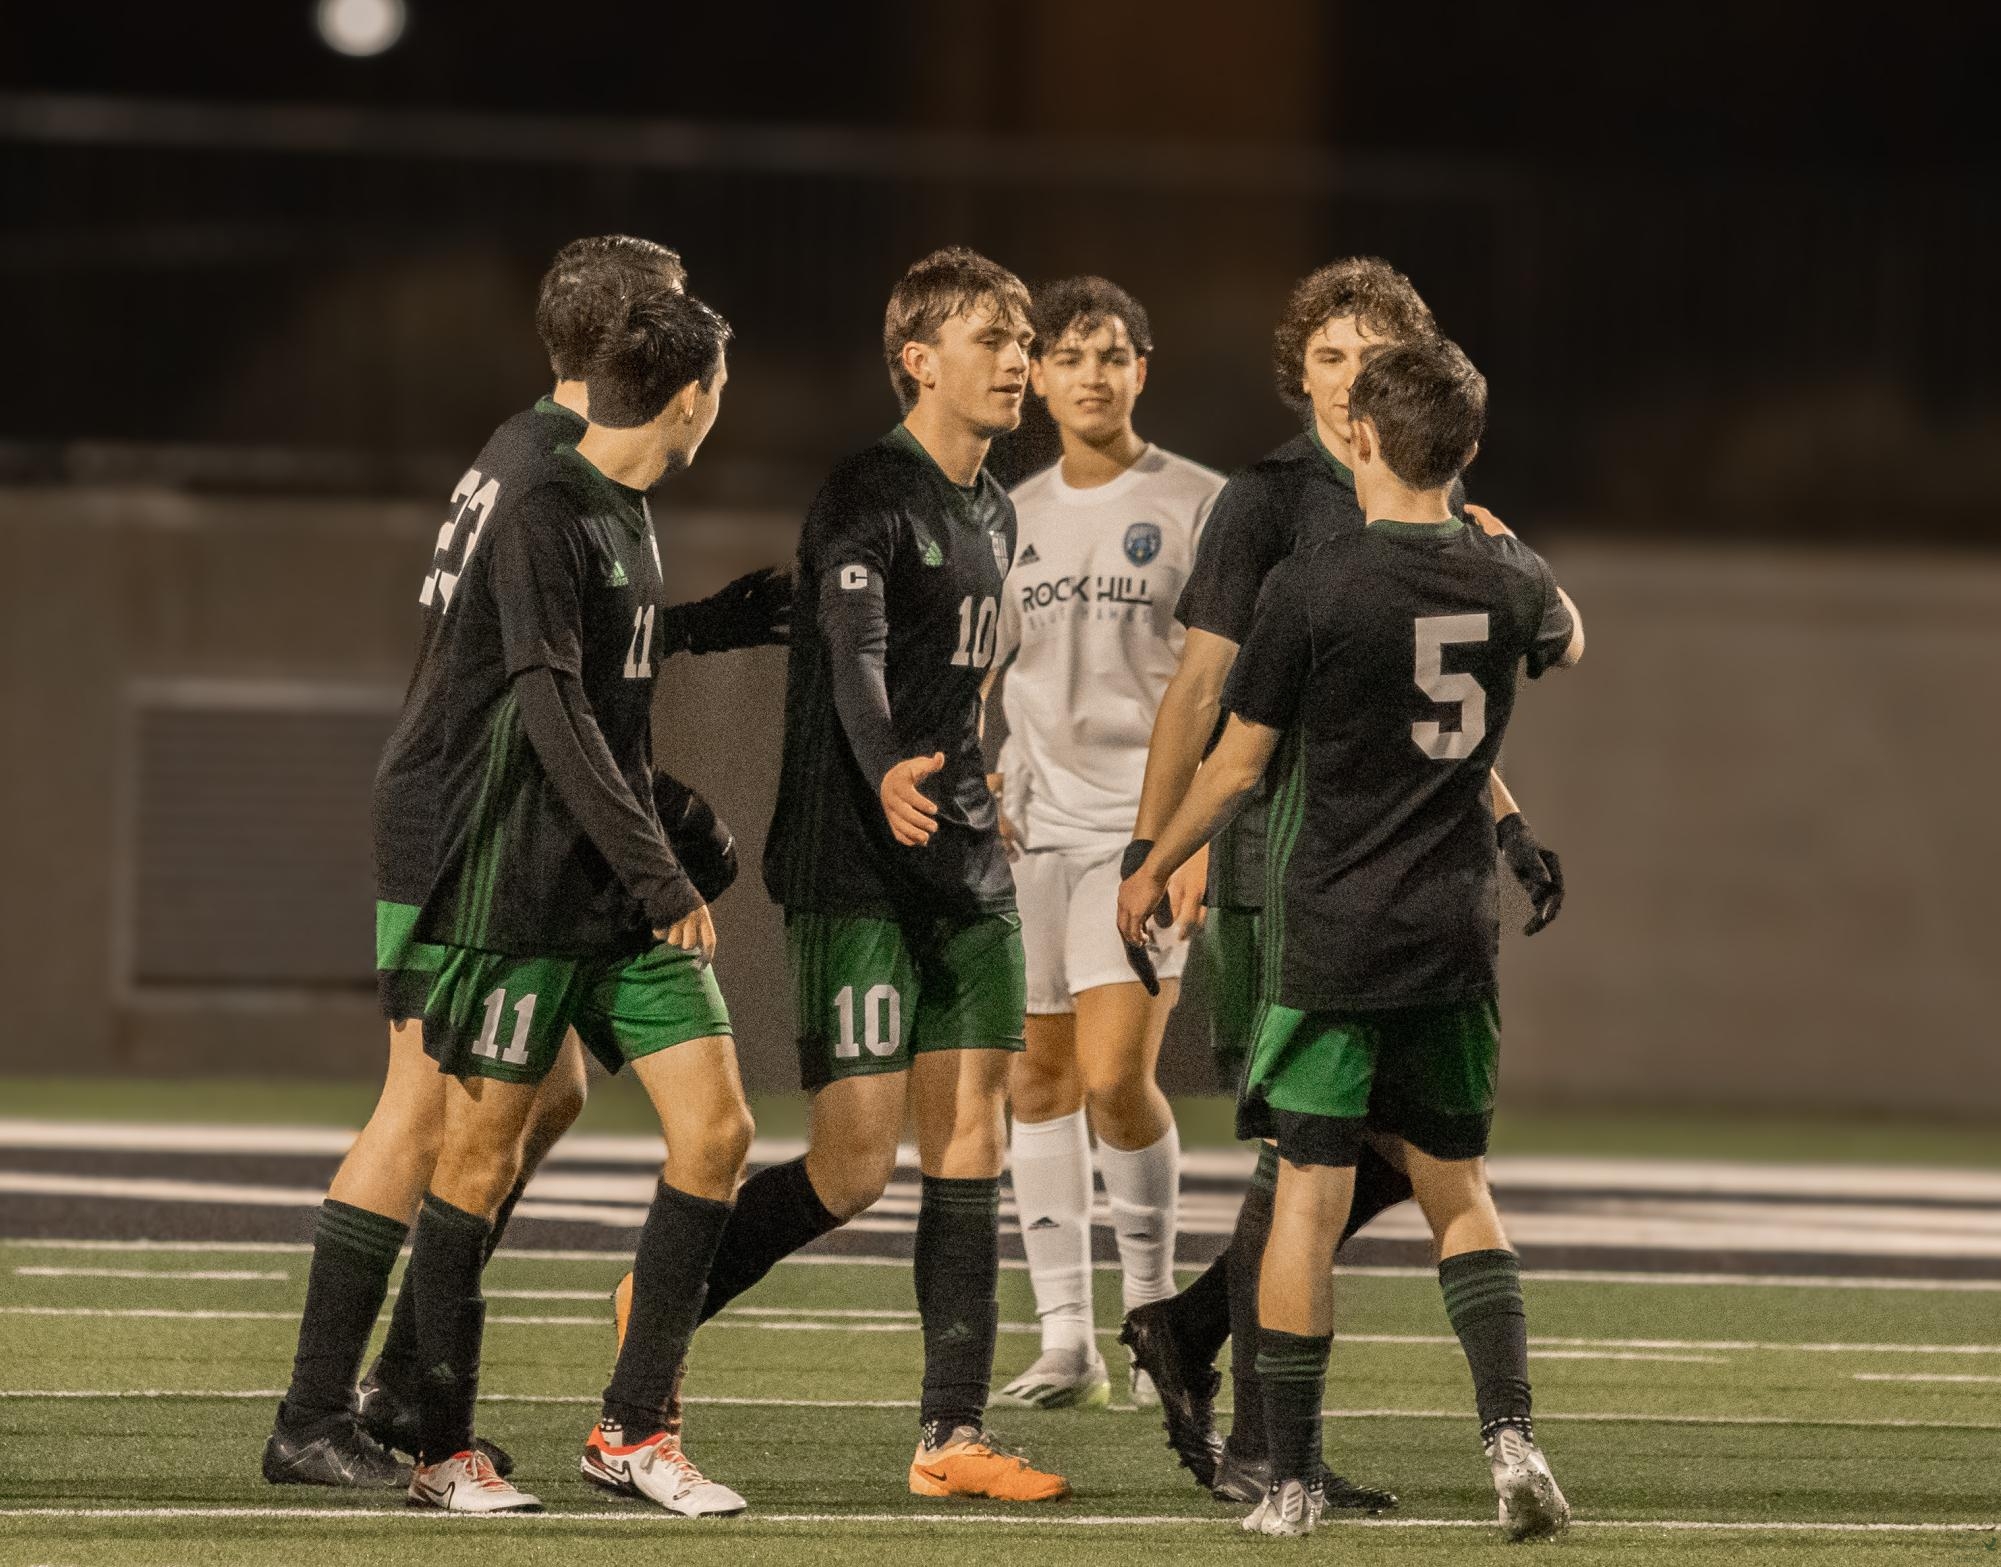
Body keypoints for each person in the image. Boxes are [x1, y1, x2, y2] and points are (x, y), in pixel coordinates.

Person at [262, 236, 787, 1491]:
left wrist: (697, 631)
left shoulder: (549, 451)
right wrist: (650, 846)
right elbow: (541, 680)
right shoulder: (549, 474)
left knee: (542, 1102)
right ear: (627, 337)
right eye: (668, 310)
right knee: (426, 1114)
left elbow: (587, 639)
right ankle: (322, 1409)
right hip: (470, 824)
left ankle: (409, 1374)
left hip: (517, 814)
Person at [1116, 337, 1581, 1540]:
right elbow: (1569, 637)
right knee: (1459, 1192)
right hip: (1454, 937)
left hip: (1331, 933)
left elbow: (1236, 766)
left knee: (1309, 1203)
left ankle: (1292, 1481)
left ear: (1361, 438)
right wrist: (1503, 544)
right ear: (1467, 448)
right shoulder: (1509, 575)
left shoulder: (1317, 583)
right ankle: (1512, 1439)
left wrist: (1154, 863)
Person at [654, 247, 1068, 1503]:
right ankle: (661, 1300)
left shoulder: (995, 508)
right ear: (918, 360)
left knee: (973, 1135)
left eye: (1024, 339)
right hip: (855, 864)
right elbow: (853, 649)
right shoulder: (866, 491)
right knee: (853, 1166)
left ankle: (951, 1435)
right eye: (992, 338)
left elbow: (963, 679)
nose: (1019, 360)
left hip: (962, 862)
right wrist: (887, 767)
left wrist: (979, 783)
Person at [392, 287, 753, 1515]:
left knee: (717, 1134)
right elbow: (552, 710)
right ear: (693, 397)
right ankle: (441, 1451)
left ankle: (633, 1433)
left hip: (616, 900)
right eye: (721, 387)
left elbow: (612, 696)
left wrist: (663, 824)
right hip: (523, 894)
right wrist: (660, 867)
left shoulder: (626, 508)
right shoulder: (545, 508)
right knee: (476, 1158)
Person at [984, 276, 1221, 1411]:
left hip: (1144, 833)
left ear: (1141, 370)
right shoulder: (1006, 512)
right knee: (1037, 1077)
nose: (1091, 375)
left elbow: (1223, 682)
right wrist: (980, 767)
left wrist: (1194, 835)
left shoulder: (1199, 503)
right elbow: (987, 664)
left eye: (1111, 355)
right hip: (1035, 830)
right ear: (1036, 377)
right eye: (1069, 356)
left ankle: (1154, 1320)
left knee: (1116, 1074)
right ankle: (1067, 1341)